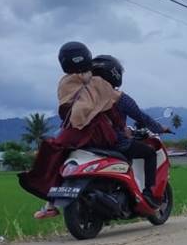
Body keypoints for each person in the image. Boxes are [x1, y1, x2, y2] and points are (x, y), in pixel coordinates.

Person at [22, 42, 124, 219]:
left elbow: (65, 110)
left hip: (74, 131)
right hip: (97, 132)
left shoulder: (65, 83)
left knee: (55, 156)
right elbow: (117, 108)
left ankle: (50, 203)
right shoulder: (99, 82)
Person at [90, 54, 171, 207]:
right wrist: (160, 128)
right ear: (115, 74)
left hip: (89, 144)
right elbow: (141, 117)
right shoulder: (119, 97)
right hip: (116, 144)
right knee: (149, 153)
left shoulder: (85, 96)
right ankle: (148, 192)